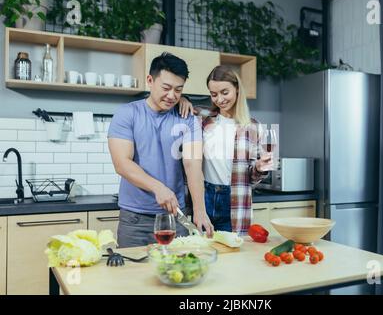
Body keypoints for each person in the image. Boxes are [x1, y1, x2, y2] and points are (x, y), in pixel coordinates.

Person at [108, 52, 214, 248]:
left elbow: (192, 164)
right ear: (150, 80)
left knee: (178, 273)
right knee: (131, 277)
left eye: (178, 89)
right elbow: (122, 163)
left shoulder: (188, 118)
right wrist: (158, 187)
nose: (172, 95)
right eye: (166, 88)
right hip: (135, 220)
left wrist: (200, 210)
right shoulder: (127, 114)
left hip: (176, 218)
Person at [179, 65, 273, 235]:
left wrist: (259, 168)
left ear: (237, 89)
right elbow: (179, 101)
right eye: (213, 94)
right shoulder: (202, 117)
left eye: (224, 92)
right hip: (203, 197)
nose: (219, 99)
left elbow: (251, 179)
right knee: (201, 251)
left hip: (235, 200)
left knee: (232, 255)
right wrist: (183, 99)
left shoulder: (255, 127)